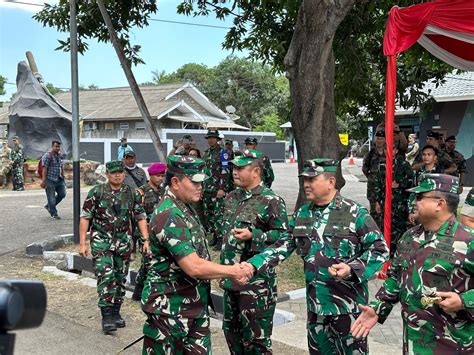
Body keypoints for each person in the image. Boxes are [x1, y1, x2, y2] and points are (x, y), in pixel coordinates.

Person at [243, 158, 389, 354]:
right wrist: (253, 264)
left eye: (312, 179)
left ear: (331, 182)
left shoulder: (354, 212)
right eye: (304, 180)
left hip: (348, 310)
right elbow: (283, 244)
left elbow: (380, 249)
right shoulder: (302, 214)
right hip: (316, 308)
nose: (306, 185)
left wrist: (351, 268)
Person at [141, 155, 253, 354]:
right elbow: (193, 266)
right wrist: (233, 271)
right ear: (175, 182)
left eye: (202, 182)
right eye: (195, 182)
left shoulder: (184, 207)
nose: (201, 186)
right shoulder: (169, 214)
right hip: (170, 310)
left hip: (193, 306)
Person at [352, 174, 474, 354]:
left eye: (419, 197)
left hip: (453, 347)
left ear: (440, 204)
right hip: (413, 345)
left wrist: (464, 301)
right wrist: (378, 308)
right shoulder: (409, 237)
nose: (413, 202)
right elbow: (395, 277)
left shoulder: (467, 241)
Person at [219, 149, 288, 354]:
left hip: (257, 285)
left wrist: (255, 235)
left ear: (256, 171)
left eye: (240, 168)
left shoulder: (271, 201)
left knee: (256, 340)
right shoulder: (231, 198)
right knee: (232, 334)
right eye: (234, 167)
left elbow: (284, 238)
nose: (234, 172)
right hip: (231, 279)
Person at [79, 160, 149, 333]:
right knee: (106, 276)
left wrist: (146, 239)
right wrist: (82, 242)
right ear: (107, 174)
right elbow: (85, 217)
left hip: (123, 242)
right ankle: (107, 315)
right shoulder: (97, 192)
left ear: (124, 173)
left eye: (120, 172)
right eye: (114, 172)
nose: (117, 175)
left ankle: (116, 311)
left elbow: (140, 216)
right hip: (101, 240)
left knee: (120, 277)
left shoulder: (131, 193)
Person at [131, 162, 167, 302]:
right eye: (158, 176)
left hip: (160, 232)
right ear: (150, 176)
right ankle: (139, 291)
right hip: (144, 232)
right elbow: (138, 215)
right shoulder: (141, 192)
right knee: (147, 261)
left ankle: (148, 291)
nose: (160, 178)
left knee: (154, 261)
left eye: (162, 176)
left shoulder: (164, 191)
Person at [375, 145, 414, 257]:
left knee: (400, 228)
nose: (389, 151)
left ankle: (399, 253)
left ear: (396, 150)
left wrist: (399, 184)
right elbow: (377, 184)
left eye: (392, 148)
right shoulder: (382, 166)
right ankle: (386, 252)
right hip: (385, 202)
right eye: (387, 148)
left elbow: (411, 182)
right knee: (385, 227)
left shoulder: (404, 165)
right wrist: (377, 201)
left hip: (399, 203)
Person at [202, 129, 230, 251]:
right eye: (209, 138)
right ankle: (214, 235)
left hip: (217, 189)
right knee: (209, 214)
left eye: (213, 137)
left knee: (219, 214)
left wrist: (222, 189)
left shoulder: (223, 153)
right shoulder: (206, 153)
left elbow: (225, 172)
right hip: (207, 189)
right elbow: (202, 172)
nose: (211, 140)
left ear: (217, 139)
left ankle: (220, 238)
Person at [362, 129, 386, 227]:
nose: (379, 140)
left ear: (385, 140)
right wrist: (372, 178)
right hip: (373, 188)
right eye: (378, 138)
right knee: (374, 211)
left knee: (385, 210)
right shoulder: (370, 154)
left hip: (385, 186)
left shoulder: (388, 153)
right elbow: (365, 169)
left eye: (381, 138)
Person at [40, 140, 66, 220]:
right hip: (50, 179)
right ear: (52, 146)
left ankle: (49, 206)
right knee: (51, 198)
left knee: (62, 194)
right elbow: (44, 168)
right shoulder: (47, 156)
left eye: (59, 146)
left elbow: (61, 166)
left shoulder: (59, 155)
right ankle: (54, 213)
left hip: (59, 179)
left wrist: (63, 175)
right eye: (56, 146)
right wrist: (44, 180)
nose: (58, 148)